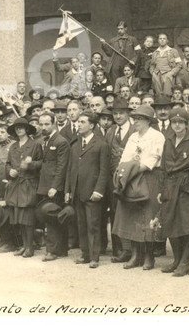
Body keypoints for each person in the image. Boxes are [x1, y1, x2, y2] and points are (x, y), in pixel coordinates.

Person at [157, 107, 189, 277]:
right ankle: (177, 260)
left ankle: (186, 261)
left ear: (186, 124)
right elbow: (163, 166)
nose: (177, 125)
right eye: (174, 122)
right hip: (171, 184)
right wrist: (161, 189)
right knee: (170, 221)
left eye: (180, 122)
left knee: (187, 223)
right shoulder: (168, 139)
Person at [112, 104, 163, 271]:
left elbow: (153, 159)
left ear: (148, 121)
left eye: (140, 119)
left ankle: (149, 256)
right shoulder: (133, 137)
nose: (136, 122)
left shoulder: (157, 136)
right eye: (135, 119)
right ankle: (136, 255)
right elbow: (124, 158)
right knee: (132, 216)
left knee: (147, 217)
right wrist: (125, 171)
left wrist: (132, 168)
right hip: (131, 178)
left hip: (149, 178)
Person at [65, 112, 110, 269]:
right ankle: (85, 255)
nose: (79, 124)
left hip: (93, 193)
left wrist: (98, 190)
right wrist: (68, 190)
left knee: (93, 225)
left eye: (83, 122)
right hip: (78, 192)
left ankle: (94, 257)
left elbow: (104, 171)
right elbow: (71, 170)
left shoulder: (101, 144)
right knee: (81, 224)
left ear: (92, 125)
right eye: (78, 122)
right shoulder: (75, 145)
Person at [4, 118, 41, 257]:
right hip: (15, 184)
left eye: (21, 127)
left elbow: (41, 162)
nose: (19, 129)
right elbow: (7, 164)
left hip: (28, 184)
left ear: (26, 129)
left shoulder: (35, 145)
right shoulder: (13, 147)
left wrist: (30, 165)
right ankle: (24, 246)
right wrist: (9, 171)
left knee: (28, 217)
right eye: (16, 128)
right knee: (18, 216)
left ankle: (30, 247)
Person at [36, 111, 70, 260]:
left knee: (52, 217)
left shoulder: (60, 141)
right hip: (46, 184)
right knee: (54, 217)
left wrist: (55, 187)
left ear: (54, 123)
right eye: (41, 124)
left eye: (46, 124)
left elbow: (62, 166)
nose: (43, 127)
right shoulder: (46, 140)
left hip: (54, 187)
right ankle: (60, 249)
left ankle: (53, 250)